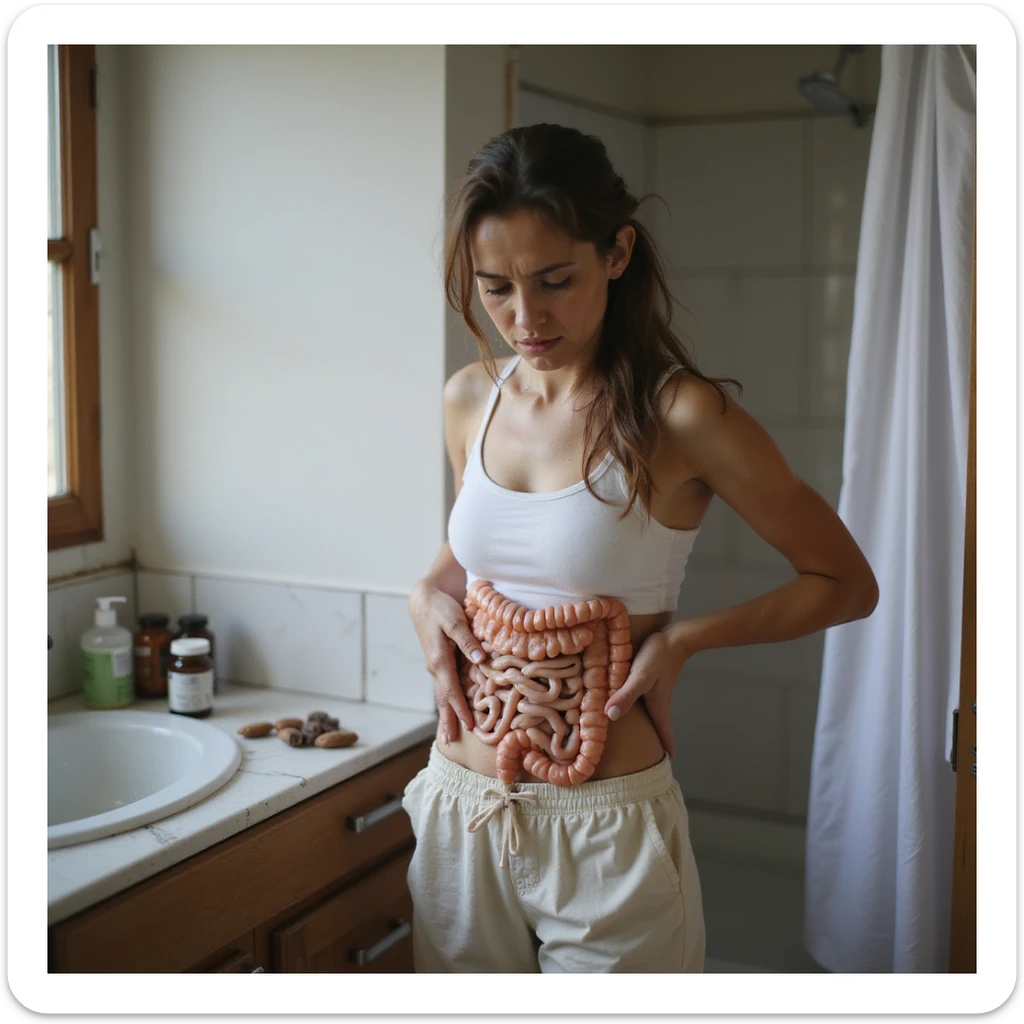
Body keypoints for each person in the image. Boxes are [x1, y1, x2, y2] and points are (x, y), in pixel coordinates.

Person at [403, 123, 879, 974]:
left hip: (605, 828)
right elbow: (474, 554)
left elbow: (845, 582)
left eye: (555, 280)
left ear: (617, 253)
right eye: (496, 288)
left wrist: (683, 640)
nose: (525, 317)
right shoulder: (469, 397)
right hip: (460, 805)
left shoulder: (681, 416)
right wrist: (424, 593)